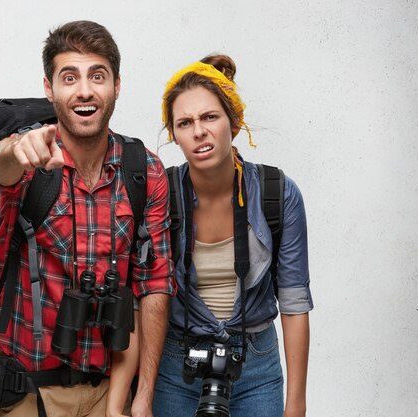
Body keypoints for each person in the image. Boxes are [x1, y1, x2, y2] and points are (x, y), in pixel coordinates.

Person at [0, 20, 175, 417]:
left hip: (109, 393)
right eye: (70, 77)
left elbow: (153, 284)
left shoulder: (144, 170)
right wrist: (15, 151)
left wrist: (143, 397)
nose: (84, 90)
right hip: (25, 395)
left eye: (97, 76)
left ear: (117, 85)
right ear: (50, 88)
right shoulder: (31, 154)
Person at [153, 54, 313, 417]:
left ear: (234, 122)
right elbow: (144, 297)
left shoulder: (277, 192)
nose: (199, 131)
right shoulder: (161, 194)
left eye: (210, 117)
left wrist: (296, 405)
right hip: (178, 361)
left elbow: (294, 301)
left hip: (256, 365)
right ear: (174, 135)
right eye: (185, 122)